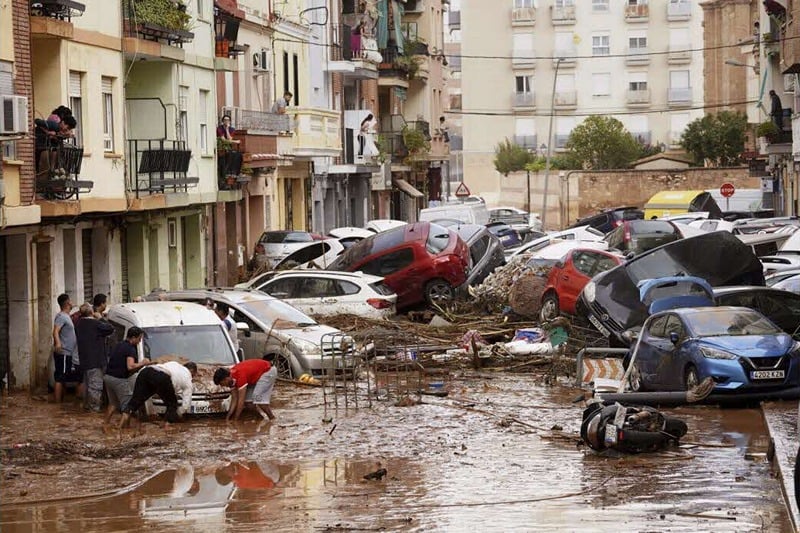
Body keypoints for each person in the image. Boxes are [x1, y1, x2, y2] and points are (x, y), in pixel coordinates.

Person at [119, 361, 198, 432]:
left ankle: (121, 427)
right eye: (194, 375)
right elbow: (186, 405)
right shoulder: (188, 379)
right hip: (162, 377)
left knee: (135, 401)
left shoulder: (175, 364)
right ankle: (167, 427)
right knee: (172, 404)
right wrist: (177, 415)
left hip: (145, 371)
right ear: (192, 372)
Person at [103, 327, 151, 429]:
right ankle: (122, 428)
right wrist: (143, 363)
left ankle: (105, 424)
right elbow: (130, 366)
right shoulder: (130, 349)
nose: (139, 342)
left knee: (113, 403)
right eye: (139, 339)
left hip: (108, 377)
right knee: (129, 405)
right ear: (133, 338)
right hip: (118, 379)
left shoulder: (120, 344)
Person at [75, 302, 114, 412]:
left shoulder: (79, 324)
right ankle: (94, 410)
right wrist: (100, 318)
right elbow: (110, 329)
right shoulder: (95, 324)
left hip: (84, 360)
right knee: (95, 386)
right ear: (92, 312)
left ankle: (88, 407)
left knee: (88, 385)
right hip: (95, 361)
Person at [53, 293, 82, 403]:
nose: (72, 302)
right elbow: (55, 331)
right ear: (67, 303)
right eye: (70, 300)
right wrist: (58, 343)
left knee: (63, 377)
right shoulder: (61, 317)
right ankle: (57, 404)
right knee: (60, 377)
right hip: (63, 352)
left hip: (68, 353)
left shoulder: (67, 316)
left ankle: (61, 403)